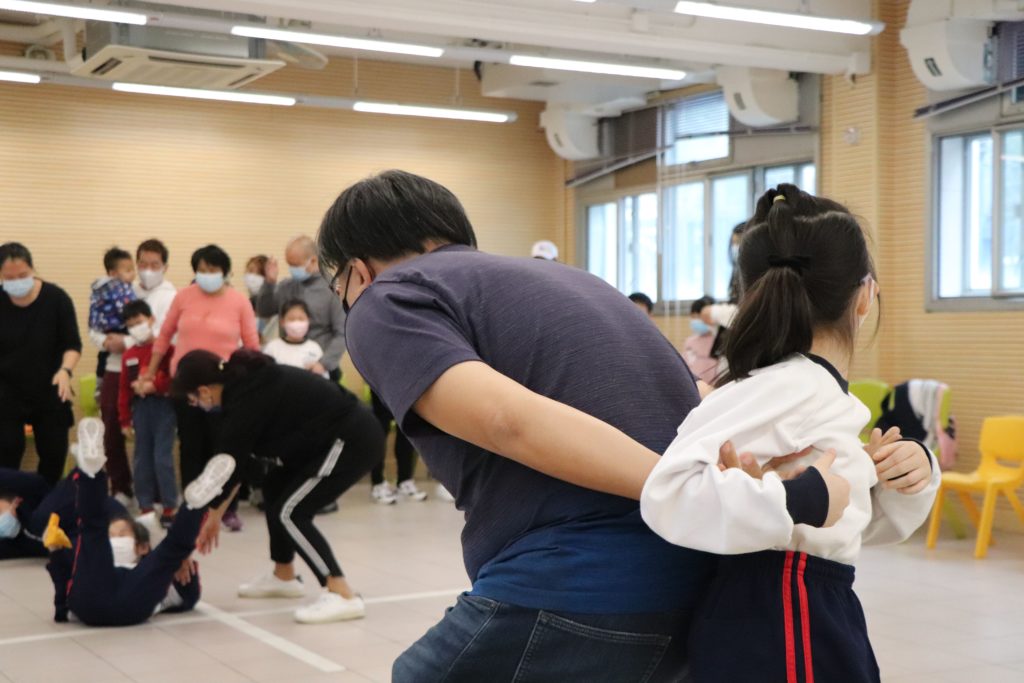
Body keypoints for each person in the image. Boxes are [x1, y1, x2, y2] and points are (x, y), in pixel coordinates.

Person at [316, 170, 935, 682]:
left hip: (584, 584)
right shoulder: (575, 281)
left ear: (357, 273)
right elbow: (697, 406)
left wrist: (689, 488)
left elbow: (508, 421)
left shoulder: (382, 300)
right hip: (704, 586)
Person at [641, 185, 940, 683]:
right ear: (865, 296)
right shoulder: (791, 385)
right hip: (783, 613)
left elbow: (842, 524)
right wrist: (802, 497)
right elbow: (668, 492)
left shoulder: (804, 387)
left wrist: (905, 477)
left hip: (802, 603)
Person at [172, 349, 385, 624]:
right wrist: (215, 515)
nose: (196, 405)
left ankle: (341, 593)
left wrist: (213, 514)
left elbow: (228, 465)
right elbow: (239, 464)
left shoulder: (245, 398)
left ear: (203, 390)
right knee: (274, 486)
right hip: (325, 442)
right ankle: (284, 576)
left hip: (351, 439)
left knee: (291, 512)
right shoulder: (241, 391)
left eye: (192, 399)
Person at [46, 417, 233, 626]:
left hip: (123, 598)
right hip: (102, 596)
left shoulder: (146, 567)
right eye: (112, 536)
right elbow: (65, 574)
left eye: (122, 534)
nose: (115, 539)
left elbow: (188, 596)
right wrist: (57, 555)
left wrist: (180, 565)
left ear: (142, 547)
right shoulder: (95, 557)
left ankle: (194, 504)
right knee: (94, 529)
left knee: (97, 528)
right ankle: (92, 469)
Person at [138, 244, 259, 533]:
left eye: (212, 269)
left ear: (224, 272)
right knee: (191, 447)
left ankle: (226, 508)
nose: (207, 274)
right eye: (201, 270)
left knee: (223, 447)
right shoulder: (183, 296)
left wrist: (257, 382)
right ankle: (193, 508)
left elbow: (252, 344)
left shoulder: (239, 301)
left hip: (224, 387)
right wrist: (149, 373)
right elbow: (164, 337)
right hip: (186, 386)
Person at [0, 242, 82, 485]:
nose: (17, 282)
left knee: (54, 451)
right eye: (9, 278)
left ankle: (47, 501)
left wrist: (65, 370)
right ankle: (7, 502)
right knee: (6, 450)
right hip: (6, 390)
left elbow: (72, 344)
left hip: (50, 385)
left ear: (33, 269)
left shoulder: (57, 299)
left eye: (22, 275)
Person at [119, 300, 178, 528]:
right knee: (141, 459)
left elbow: (174, 379)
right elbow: (124, 391)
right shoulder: (129, 355)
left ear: (151, 319)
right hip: (140, 410)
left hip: (164, 408)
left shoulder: (167, 349)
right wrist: (124, 420)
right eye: (131, 325)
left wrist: (156, 386)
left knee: (162, 459)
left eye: (139, 322)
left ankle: (169, 506)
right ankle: (145, 506)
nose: (136, 327)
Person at [255, 236, 346, 382]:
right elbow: (264, 311)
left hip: (319, 366)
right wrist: (269, 283)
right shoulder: (286, 286)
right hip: (287, 366)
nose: (292, 269)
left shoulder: (332, 289)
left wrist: (324, 364)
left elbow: (342, 333)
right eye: (289, 264)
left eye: (296, 265)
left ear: (313, 261)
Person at [88, 247, 137, 502]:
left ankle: (150, 492)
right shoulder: (101, 294)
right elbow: (93, 329)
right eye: (127, 270)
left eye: (133, 269)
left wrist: (126, 341)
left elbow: (153, 331)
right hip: (113, 368)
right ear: (112, 273)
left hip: (140, 367)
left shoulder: (135, 294)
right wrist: (106, 342)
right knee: (111, 430)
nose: (133, 274)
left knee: (144, 431)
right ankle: (120, 487)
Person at [369, 392, 428, 505]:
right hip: (381, 384)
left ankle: (404, 481)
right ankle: (377, 483)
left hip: (404, 385)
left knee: (406, 425)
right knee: (381, 427)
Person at [262, 300, 327, 378]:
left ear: (308, 321)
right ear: (282, 322)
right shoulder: (272, 348)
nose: (297, 323)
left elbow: (324, 378)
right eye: (291, 319)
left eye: (301, 319)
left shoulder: (314, 348)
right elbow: (264, 376)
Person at [134, 239, 177, 334]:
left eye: (154, 265)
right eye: (143, 264)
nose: (148, 270)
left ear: (165, 268)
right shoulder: (128, 291)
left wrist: (128, 340)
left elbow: (168, 333)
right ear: (137, 265)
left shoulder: (172, 297)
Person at [683, 295, 718, 385]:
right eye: (693, 317)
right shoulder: (690, 342)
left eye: (699, 317)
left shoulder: (720, 342)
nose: (696, 321)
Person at [244, 255, 271, 337]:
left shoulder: (272, 303)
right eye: (247, 272)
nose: (248, 276)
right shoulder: (248, 303)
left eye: (251, 271)